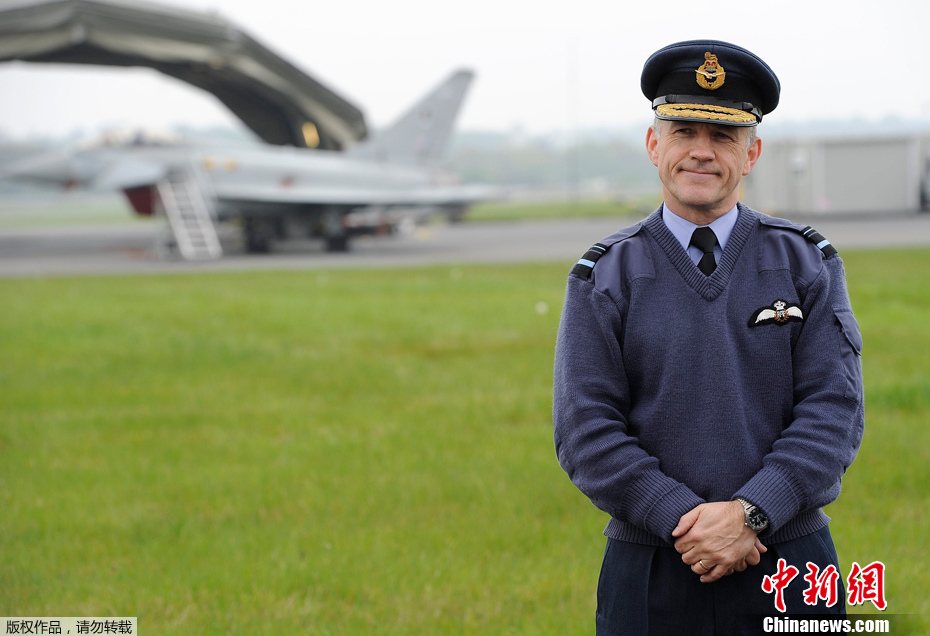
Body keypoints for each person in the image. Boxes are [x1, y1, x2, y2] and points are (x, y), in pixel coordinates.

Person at [552, 40, 864, 635]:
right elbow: (585, 430)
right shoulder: (603, 275)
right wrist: (684, 519)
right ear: (654, 145)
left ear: (752, 154)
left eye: (723, 136)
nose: (701, 151)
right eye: (683, 132)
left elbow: (834, 410)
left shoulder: (807, 263)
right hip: (652, 568)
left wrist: (752, 513)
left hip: (790, 563)